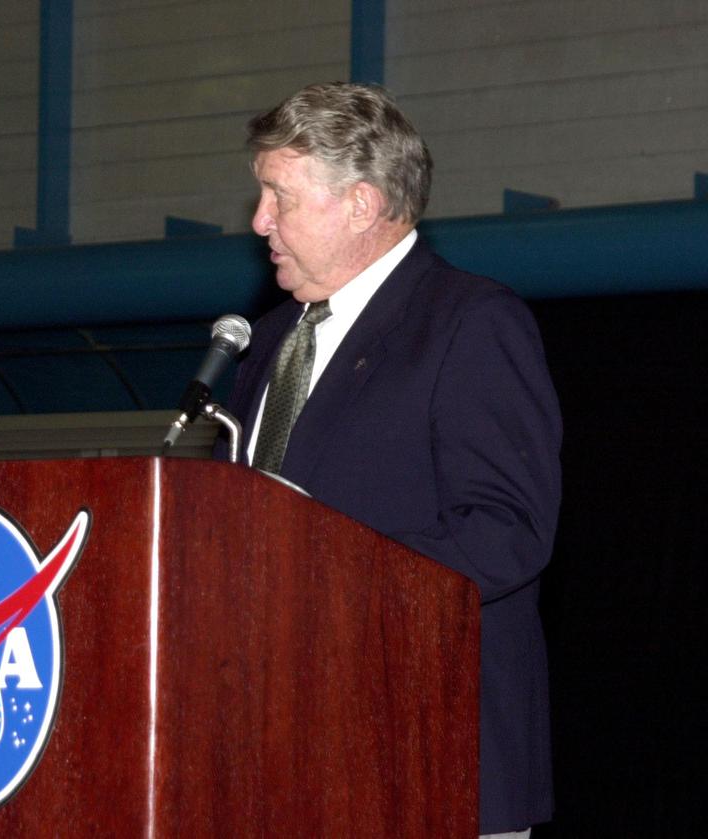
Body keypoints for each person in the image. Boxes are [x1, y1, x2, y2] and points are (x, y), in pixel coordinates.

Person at [219, 83, 561, 837]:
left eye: (280, 197)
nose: (259, 220)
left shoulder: (471, 322)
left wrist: (319, 580)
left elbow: (506, 534)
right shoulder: (266, 340)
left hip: (427, 760)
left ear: (361, 205)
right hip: (279, 761)